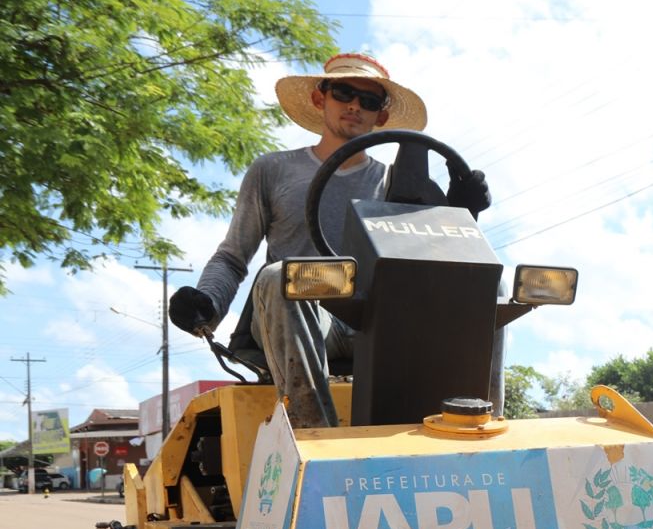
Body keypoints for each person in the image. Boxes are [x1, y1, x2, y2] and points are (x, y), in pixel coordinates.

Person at [167, 53, 490, 427]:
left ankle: (479, 423)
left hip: (370, 319)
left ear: (381, 117)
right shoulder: (273, 170)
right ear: (321, 98)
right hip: (295, 311)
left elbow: (429, 262)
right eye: (344, 92)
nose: (355, 105)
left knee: (489, 289)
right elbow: (232, 257)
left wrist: (459, 214)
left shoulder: (397, 186)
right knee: (279, 277)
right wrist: (207, 302)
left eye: (369, 101)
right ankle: (312, 435)